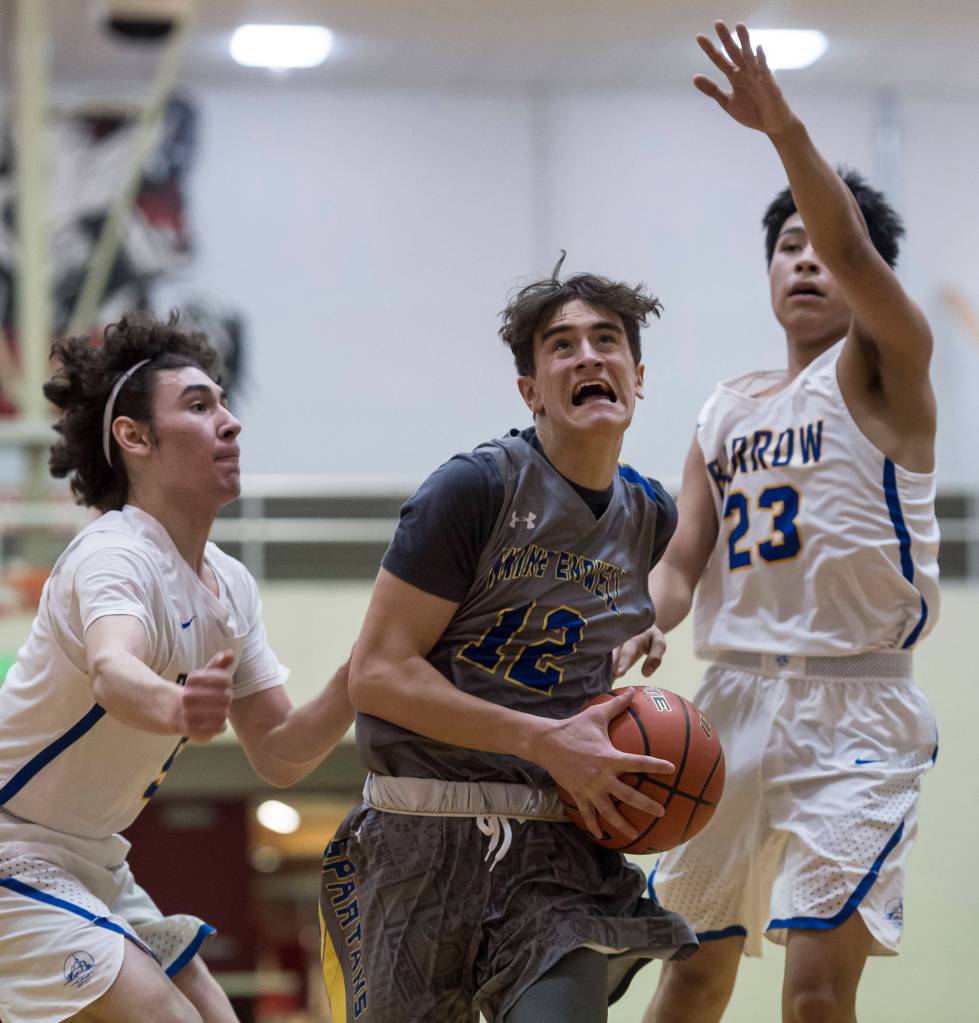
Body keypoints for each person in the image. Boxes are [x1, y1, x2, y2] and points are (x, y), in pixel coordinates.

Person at [615, 22, 940, 1023]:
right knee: (694, 971)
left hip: (855, 710)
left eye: (823, 247)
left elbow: (844, 235)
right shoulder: (726, 406)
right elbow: (682, 557)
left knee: (810, 993)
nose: (807, 261)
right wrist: (651, 612)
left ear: (868, 277)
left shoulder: (888, 370)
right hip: (732, 704)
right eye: (785, 247)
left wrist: (781, 129)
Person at [319, 261, 698, 1023]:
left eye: (606, 340)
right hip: (419, 830)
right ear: (530, 390)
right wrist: (547, 739)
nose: (588, 355)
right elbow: (379, 675)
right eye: (562, 346)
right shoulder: (472, 490)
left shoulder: (648, 513)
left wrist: (642, 622)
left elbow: (660, 590)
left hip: (555, 843)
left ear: (637, 374)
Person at [0, 314, 354, 1023]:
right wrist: (175, 707)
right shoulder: (114, 554)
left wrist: (361, 675)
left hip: (95, 860)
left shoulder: (229, 585)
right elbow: (112, 668)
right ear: (135, 437)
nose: (230, 423)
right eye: (199, 405)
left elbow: (279, 753)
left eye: (224, 403)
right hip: (13, 848)